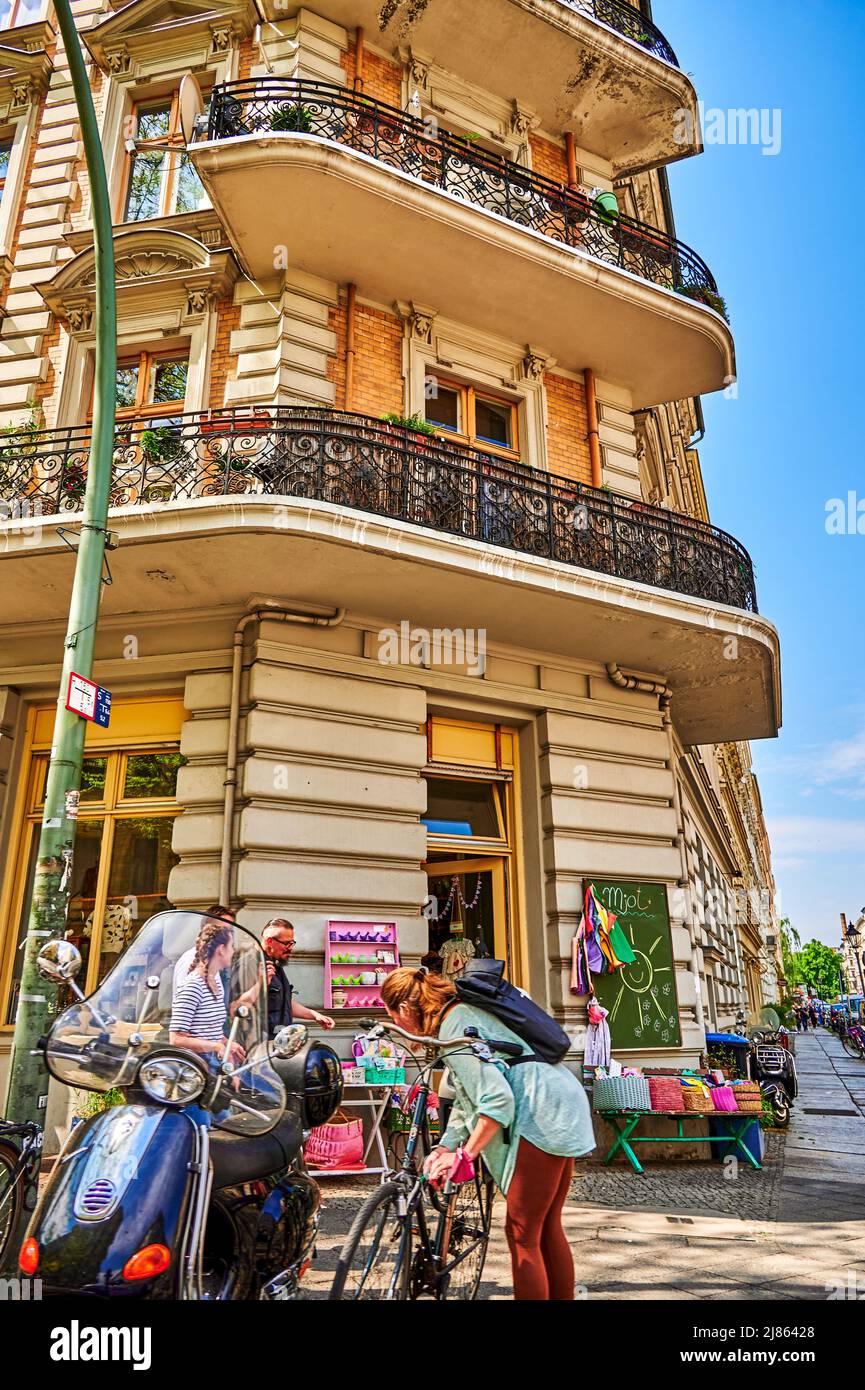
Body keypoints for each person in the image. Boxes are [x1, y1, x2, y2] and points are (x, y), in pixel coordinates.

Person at [381, 966, 595, 1301]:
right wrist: (446, 1146)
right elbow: (470, 1098)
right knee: (545, 1226)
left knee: (522, 1233)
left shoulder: (453, 1025)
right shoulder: (461, 1013)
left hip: (540, 1113)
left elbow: (496, 1099)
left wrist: (466, 1154)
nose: (398, 1027)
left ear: (405, 1010)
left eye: (392, 1016)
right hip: (559, 1099)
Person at [169, 918, 245, 1071]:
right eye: (231, 946)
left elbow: (208, 1030)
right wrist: (216, 1047)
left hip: (213, 1065)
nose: (233, 952)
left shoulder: (214, 982)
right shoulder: (193, 986)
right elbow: (176, 1039)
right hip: (195, 1071)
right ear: (221, 949)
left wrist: (227, 1043)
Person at [262, 918, 335, 1038]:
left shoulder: (276, 962)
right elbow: (240, 1006)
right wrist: (261, 984)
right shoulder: (252, 964)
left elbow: (282, 1002)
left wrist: (315, 1015)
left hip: (279, 1042)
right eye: (286, 943)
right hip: (260, 1045)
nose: (290, 947)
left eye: (292, 943)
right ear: (270, 941)